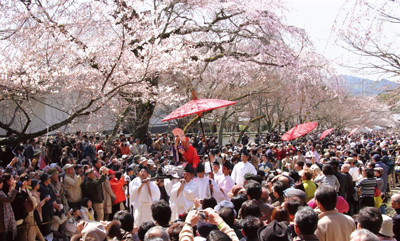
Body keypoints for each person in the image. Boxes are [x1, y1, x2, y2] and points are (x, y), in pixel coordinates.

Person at [0, 176, 17, 240]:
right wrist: (13, 189)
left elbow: (6, 199)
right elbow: (9, 199)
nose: (2, 183)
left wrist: (10, 190)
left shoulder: (1, 192)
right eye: (1, 182)